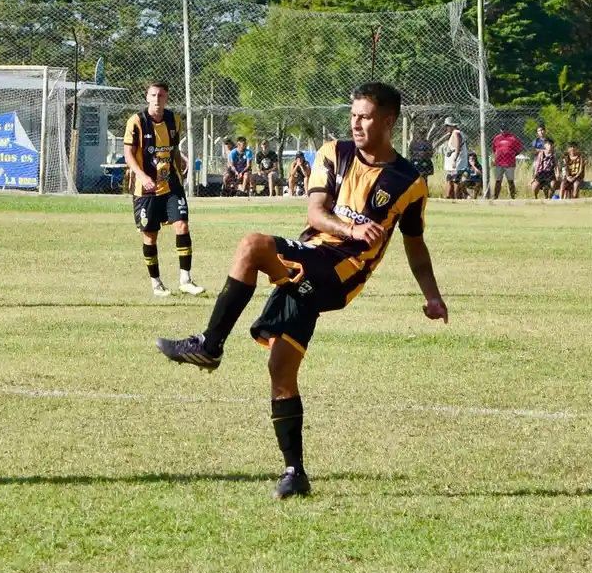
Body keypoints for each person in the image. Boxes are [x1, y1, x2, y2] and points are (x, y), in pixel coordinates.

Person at [153, 82, 447, 500]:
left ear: (388, 121)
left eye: (365, 115)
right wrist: (351, 227)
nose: (356, 122)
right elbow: (315, 212)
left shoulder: (409, 182)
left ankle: (210, 344)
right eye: (353, 114)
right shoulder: (333, 153)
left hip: (343, 274)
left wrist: (431, 295)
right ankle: (295, 472)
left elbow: (415, 244)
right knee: (281, 368)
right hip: (311, 259)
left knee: (253, 244)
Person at [123, 82, 202, 297]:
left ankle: (185, 279)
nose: (157, 99)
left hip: (171, 184)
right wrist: (142, 176)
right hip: (145, 189)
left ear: (166, 98)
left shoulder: (173, 120)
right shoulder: (137, 121)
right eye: (153, 95)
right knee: (150, 236)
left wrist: (181, 161)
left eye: (161, 95)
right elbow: (128, 153)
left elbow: (174, 148)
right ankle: (156, 283)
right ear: (147, 97)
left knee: (182, 225)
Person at [491, 125, 523, 199]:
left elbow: (519, 149)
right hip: (499, 163)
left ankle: (513, 197)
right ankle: (495, 197)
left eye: (505, 129)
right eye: (502, 129)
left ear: (508, 129)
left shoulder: (513, 138)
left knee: (510, 181)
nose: (503, 131)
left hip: (509, 163)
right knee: (498, 181)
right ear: (500, 130)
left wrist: (512, 155)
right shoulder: (497, 138)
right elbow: (494, 149)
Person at [442, 118, 467, 199]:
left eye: (447, 126)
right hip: (453, 164)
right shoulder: (454, 133)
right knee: (450, 180)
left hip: (456, 164)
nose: (446, 128)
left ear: (452, 126)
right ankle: (449, 197)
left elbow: (457, 148)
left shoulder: (456, 134)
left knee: (455, 181)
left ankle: (457, 199)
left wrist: (454, 160)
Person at [408, 129, 435, 194]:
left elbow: (431, 154)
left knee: (424, 178)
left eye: (423, 134)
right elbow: (410, 152)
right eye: (420, 133)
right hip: (415, 161)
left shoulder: (428, 143)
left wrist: (425, 153)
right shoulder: (413, 143)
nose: (421, 135)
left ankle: (425, 193)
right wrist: (417, 153)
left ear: (425, 134)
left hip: (425, 161)